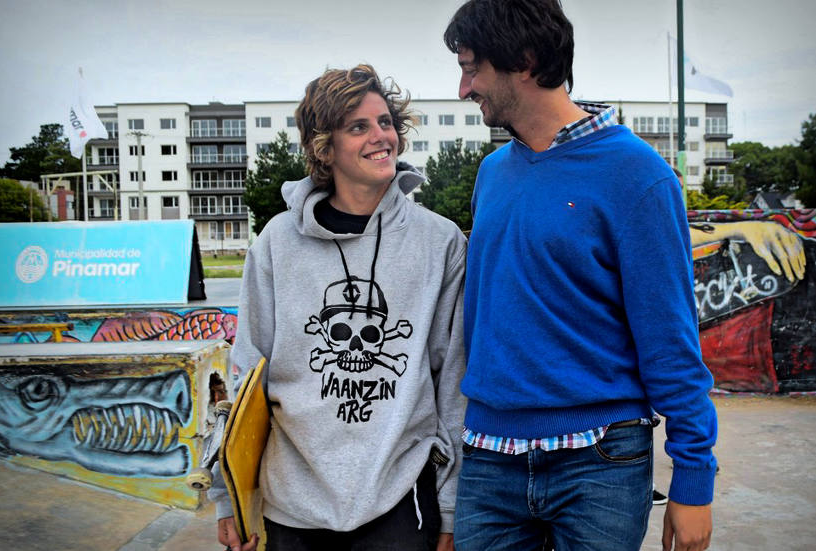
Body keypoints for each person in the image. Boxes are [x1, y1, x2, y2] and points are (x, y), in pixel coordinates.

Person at [443, 2, 718, 550]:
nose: (463, 87)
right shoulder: (493, 173)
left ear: (523, 60)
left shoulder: (639, 176)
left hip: (600, 464)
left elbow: (671, 342)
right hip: (489, 459)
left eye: (472, 67)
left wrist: (693, 482)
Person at [208, 64, 465, 551]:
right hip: (293, 498)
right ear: (324, 146)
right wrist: (231, 498)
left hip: (398, 493)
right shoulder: (276, 243)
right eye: (359, 126)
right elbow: (246, 372)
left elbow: (451, 381)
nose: (381, 136)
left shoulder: (440, 241)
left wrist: (450, 505)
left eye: (386, 122)